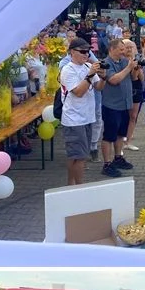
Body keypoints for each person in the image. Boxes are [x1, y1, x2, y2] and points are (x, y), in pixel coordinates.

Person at [59, 38, 107, 185]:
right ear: (72, 52)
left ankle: (71, 184)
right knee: (80, 156)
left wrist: (104, 76)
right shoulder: (68, 69)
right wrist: (90, 75)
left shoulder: (87, 66)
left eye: (88, 51)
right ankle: (80, 188)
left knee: (75, 155)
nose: (86, 54)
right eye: (83, 51)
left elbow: (98, 87)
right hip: (73, 119)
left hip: (87, 117)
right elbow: (78, 92)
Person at [98, 39, 137, 178]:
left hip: (125, 104)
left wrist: (135, 68)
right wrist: (128, 68)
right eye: (121, 49)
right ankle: (107, 164)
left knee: (121, 134)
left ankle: (118, 158)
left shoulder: (124, 61)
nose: (123, 51)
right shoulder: (106, 63)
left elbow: (134, 78)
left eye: (124, 49)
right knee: (109, 135)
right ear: (112, 49)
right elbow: (113, 80)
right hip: (111, 106)